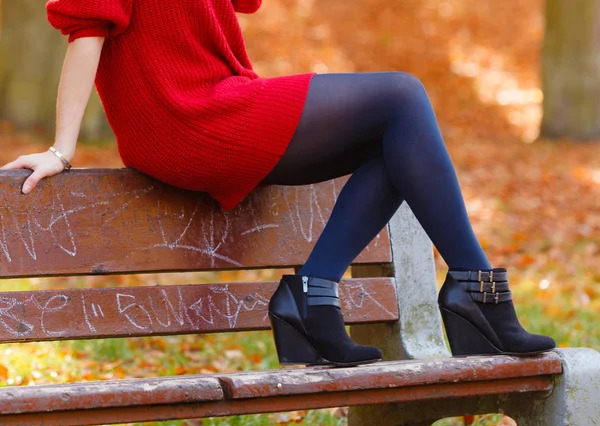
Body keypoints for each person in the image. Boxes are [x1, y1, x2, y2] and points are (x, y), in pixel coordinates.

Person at [2, 0, 555, 367]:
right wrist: (61, 150)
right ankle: (478, 292)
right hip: (187, 118)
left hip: (219, 99)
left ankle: (312, 301)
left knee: (394, 139)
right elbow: (86, 35)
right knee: (401, 96)